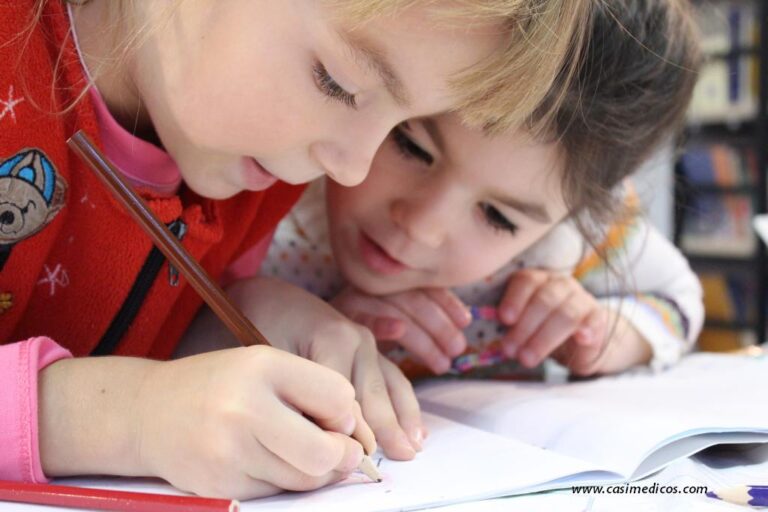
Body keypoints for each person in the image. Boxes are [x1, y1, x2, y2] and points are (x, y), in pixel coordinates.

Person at [0, 0, 591, 499]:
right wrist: (129, 418)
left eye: (401, 124)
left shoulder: (253, 172)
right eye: (340, 83)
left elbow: (124, 339)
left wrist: (235, 321)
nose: (354, 169)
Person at [260, 0, 704, 379]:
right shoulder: (271, 181)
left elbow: (679, 298)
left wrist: (607, 333)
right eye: (412, 147)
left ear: (575, 216)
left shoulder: (572, 243)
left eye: (498, 217)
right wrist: (293, 328)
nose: (422, 226)